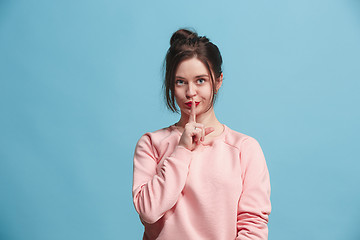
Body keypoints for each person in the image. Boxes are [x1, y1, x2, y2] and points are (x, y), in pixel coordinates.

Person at [132, 28, 271, 240]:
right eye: (180, 82)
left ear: (218, 81)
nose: (190, 92)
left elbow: (253, 227)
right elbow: (148, 212)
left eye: (200, 80)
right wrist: (182, 150)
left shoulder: (245, 148)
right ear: (171, 85)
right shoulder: (151, 143)